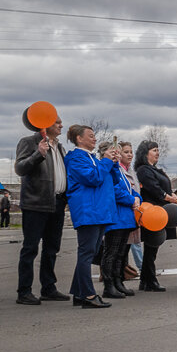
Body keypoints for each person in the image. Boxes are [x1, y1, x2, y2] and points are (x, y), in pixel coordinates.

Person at [13, 115, 70, 304]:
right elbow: (20, 168)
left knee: (52, 249)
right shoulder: (29, 142)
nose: (61, 125)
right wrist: (38, 154)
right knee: (30, 248)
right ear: (44, 124)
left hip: (57, 203)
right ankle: (24, 291)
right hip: (36, 203)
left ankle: (48, 288)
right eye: (57, 122)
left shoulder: (60, 147)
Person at [64, 125, 116, 308]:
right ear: (79, 139)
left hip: (98, 211)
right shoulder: (76, 158)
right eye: (91, 136)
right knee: (86, 253)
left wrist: (111, 163)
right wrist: (107, 162)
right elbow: (93, 178)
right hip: (89, 211)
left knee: (90, 252)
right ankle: (88, 295)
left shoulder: (91, 158)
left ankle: (79, 293)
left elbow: (107, 180)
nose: (94, 139)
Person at [134, 140, 177, 292]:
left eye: (158, 150)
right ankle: (150, 280)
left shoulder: (156, 170)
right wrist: (168, 197)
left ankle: (145, 280)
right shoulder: (143, 170)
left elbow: (163, 186)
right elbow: (154, 189)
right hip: (152, 213)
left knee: (152, 247)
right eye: (154, 150)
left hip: (161, 212)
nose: (157, 152)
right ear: (145, 153)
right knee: (151, 245)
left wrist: (171, 194)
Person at [98, 141, 138, 299]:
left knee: (121, 253)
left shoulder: (118, 170)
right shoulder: (106, 168)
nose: (117, 154)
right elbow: (115, 190)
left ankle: (118, 281)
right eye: (113, 152)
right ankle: (108, 284)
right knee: (111, 252)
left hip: (126, 216)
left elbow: (128, 187)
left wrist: (137, 198)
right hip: (116, 216)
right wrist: (131, 199)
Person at [118, 141, 142, 280]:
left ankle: (123, 273)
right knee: (120, 249)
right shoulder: (118, 170)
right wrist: (133, 200)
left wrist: (138, 200)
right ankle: (118, 276)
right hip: (123, 213)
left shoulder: (131, 171)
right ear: (119, 153)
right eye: (126, 152)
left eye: (131, 152)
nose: (130, 155)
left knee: (130, 245)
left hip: (134, 213)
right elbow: (121, 191)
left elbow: (136, 191)